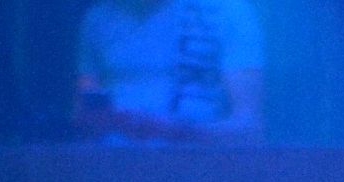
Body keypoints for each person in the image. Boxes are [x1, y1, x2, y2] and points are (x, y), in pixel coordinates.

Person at [74, 0, 264, 145]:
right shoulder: (98, 18)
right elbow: (84, 117)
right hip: (111, 168)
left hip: (199, 170)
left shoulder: (229, 11)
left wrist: (178, 132)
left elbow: (250, 129)